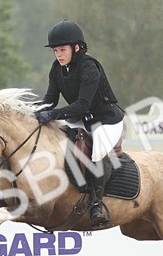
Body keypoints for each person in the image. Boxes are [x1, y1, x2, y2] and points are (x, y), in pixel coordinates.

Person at [35, 19, 124, 229]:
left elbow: (83, 104)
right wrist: (33, 110)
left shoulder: (89, 67)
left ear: (76, 47)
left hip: (105, 120)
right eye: (55, 50)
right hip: (80, 118)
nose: (58, 54)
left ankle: (96, 205)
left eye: (62, 49)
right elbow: (50, 100)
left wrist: (52, 114)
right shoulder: (57, 68)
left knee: (97, 151)